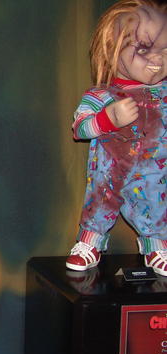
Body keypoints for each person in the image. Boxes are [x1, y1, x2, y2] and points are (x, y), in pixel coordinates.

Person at [66, 0, 167, 276]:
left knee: (156, 206)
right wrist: (108, 119)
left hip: (155, 173)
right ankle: (90, 242)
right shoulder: (102, 95)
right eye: (144, 49)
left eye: (165, 50)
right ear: (112, 48)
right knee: (100, 204)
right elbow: (80, 128)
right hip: (109, 172)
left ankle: (156, 245)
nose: (158, 60)